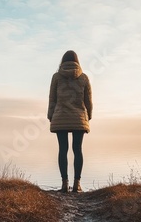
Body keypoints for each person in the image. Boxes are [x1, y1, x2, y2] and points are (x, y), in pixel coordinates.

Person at [47, 50, 92, 193]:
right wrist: (88, 117)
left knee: (63, 150)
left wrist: (50, 116)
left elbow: (52, 99)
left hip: (60, 117)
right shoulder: (84, 77)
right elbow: (88, 101)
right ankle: (77, 184)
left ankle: (64, 184)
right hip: (79, 118)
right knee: (77, 150)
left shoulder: (56, 77)